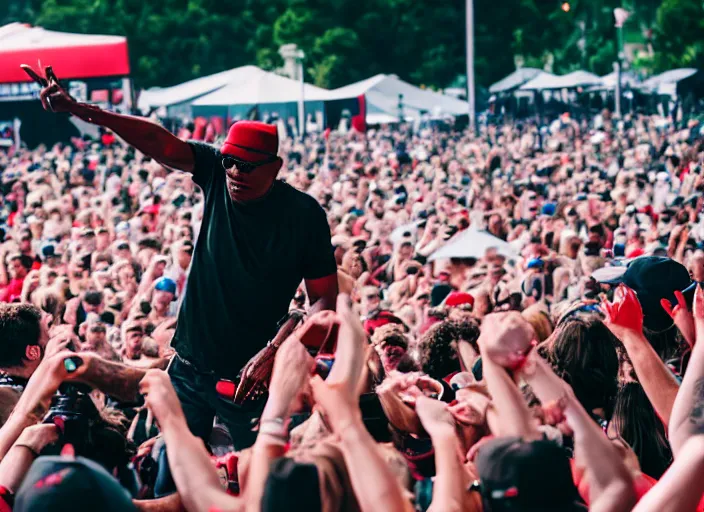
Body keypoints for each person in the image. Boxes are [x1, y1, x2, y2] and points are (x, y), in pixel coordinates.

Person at [33, 67, 338, 448]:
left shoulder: (304, 215)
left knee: (261, 475)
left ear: (274, 168)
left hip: (252, 380)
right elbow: (157, 142)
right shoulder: (214, 173)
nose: (233, 172)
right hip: (189, 368)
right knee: (172, 470)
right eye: (228, 160)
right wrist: (81, 110)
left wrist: (282, 354)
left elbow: (324, 301)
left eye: (246, 165)